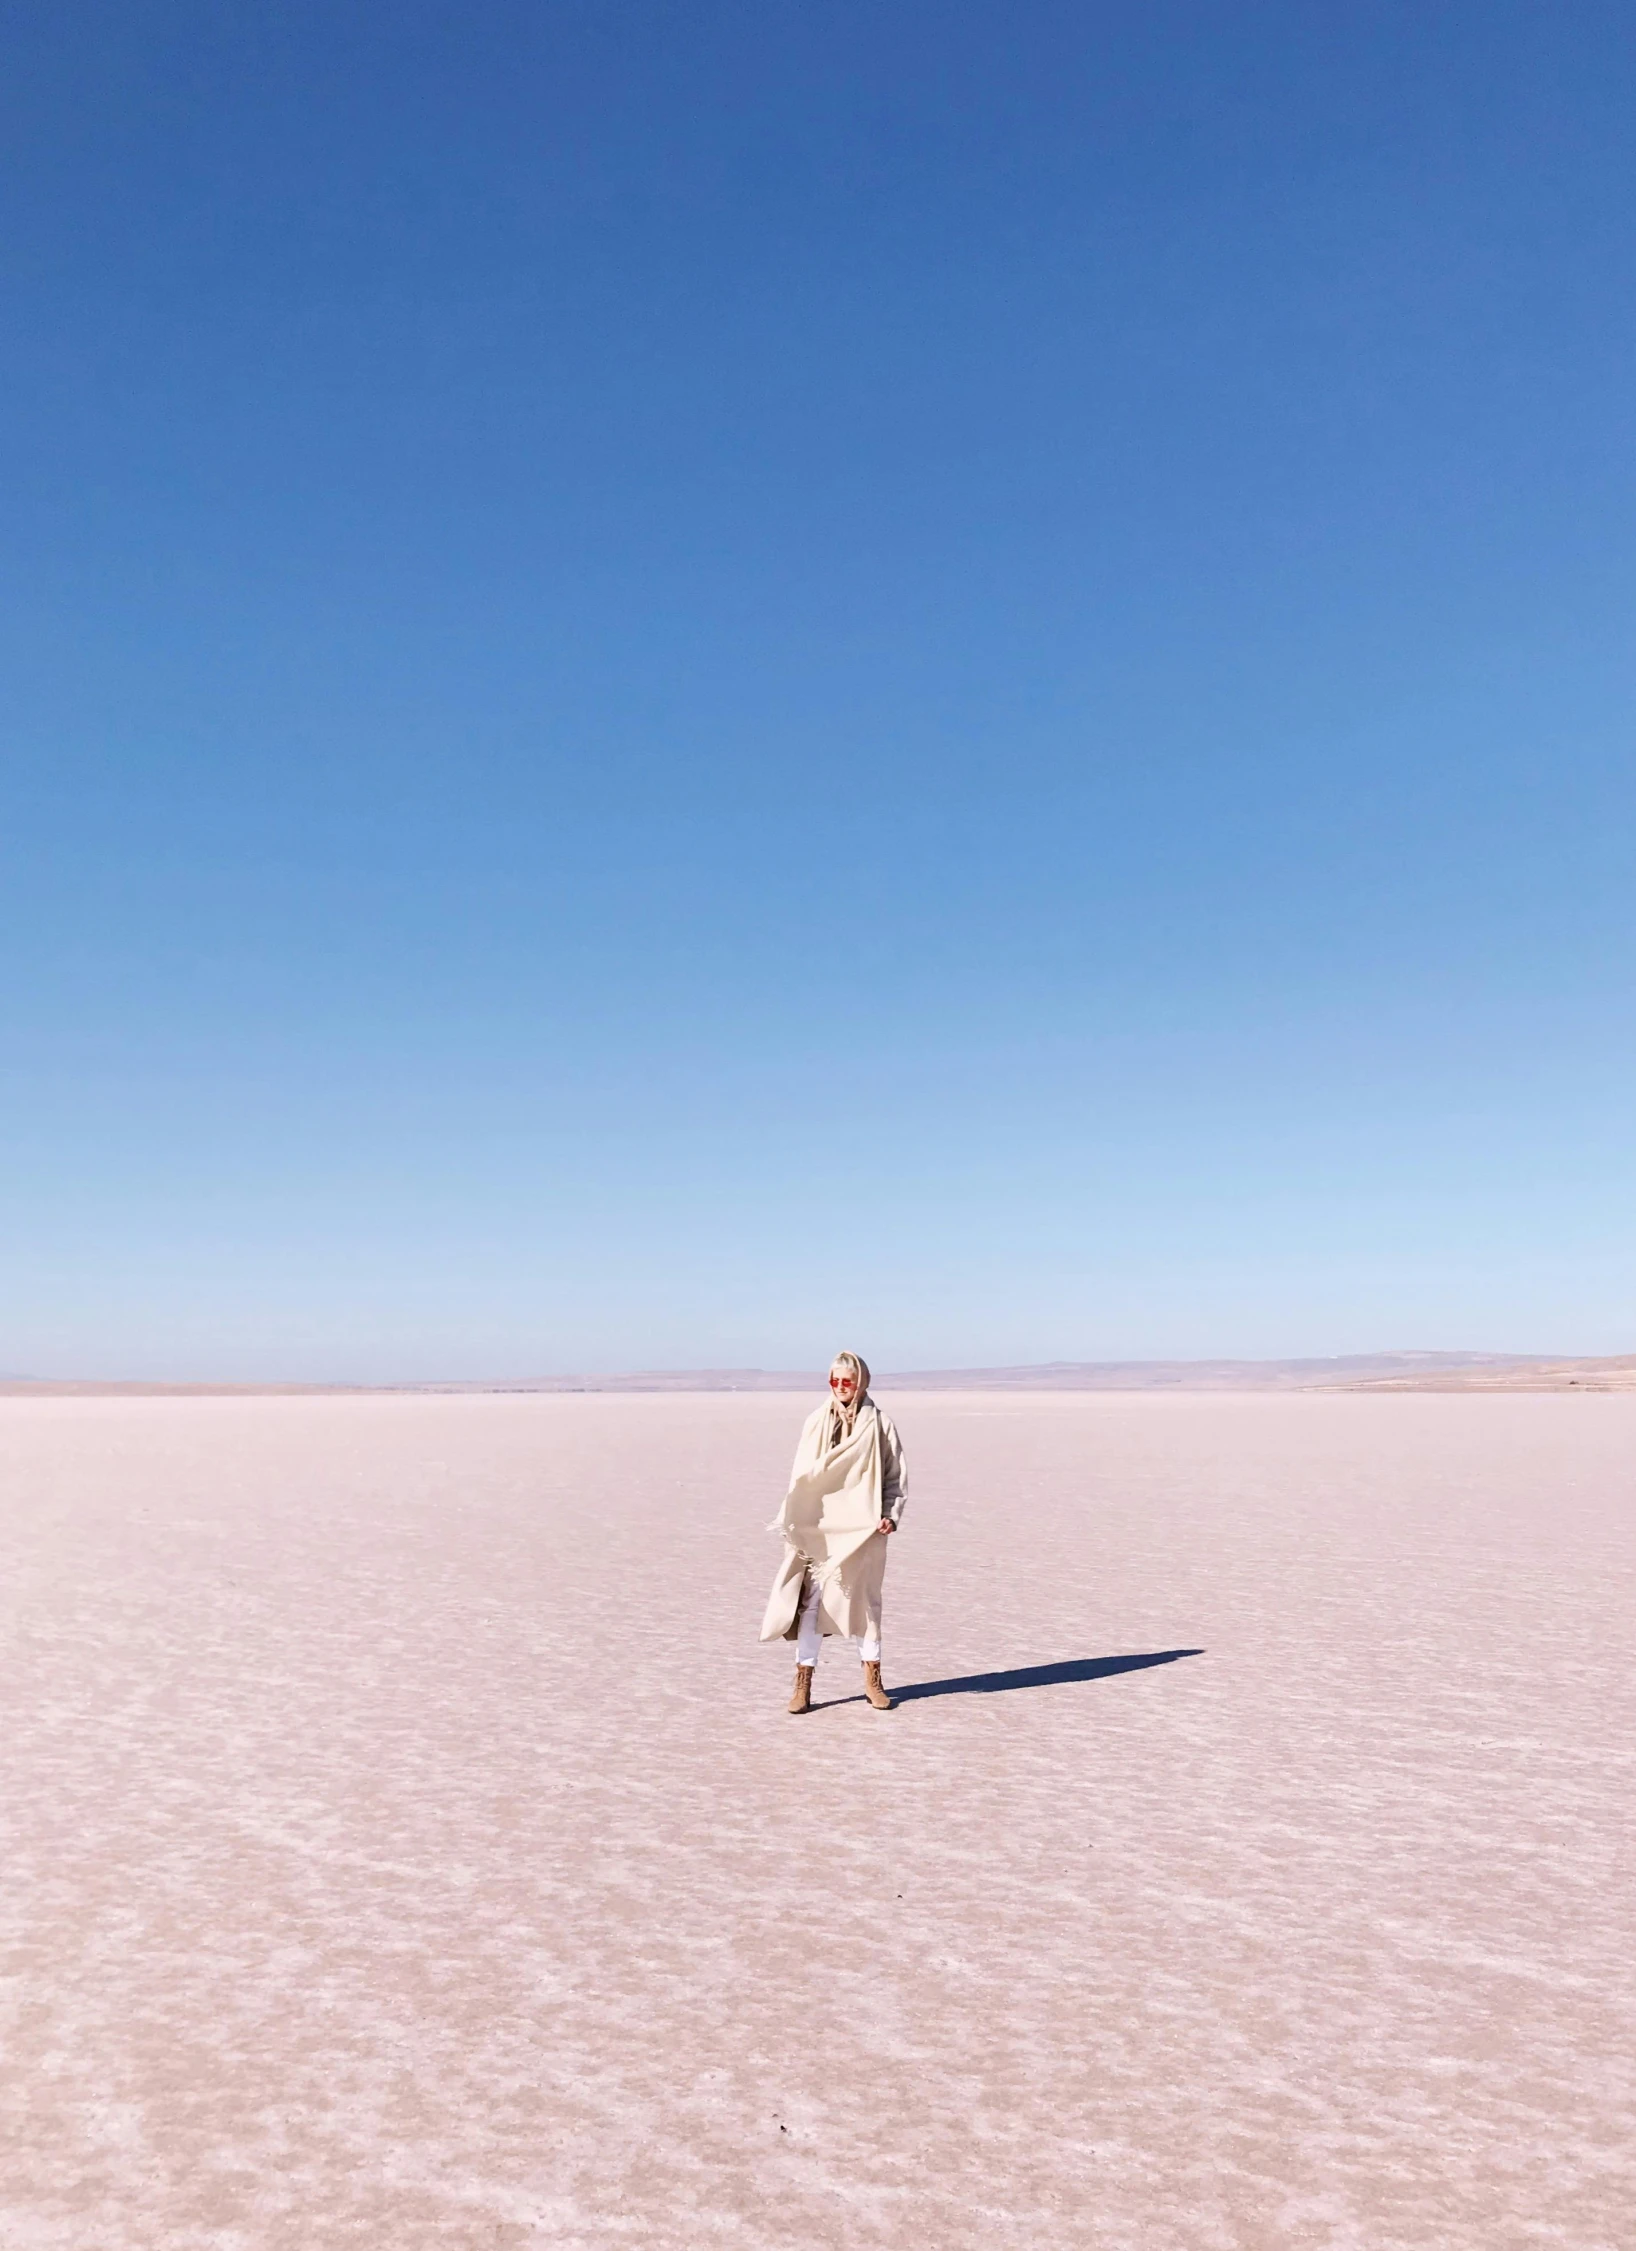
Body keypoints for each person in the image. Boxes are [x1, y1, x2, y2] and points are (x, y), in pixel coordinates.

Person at [760, 1351, 908, 1714]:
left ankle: (873, 1682)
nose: (841, 1387)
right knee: (812, 1604)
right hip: (820, 1529)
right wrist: (795, 1517)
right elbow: (801, 1476)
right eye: (835, 1381)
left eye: (848, 1381)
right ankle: (803, 1685)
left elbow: (895, 1476)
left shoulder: (879, 1424)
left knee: (865, 1604)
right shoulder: (815, 1422)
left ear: (861, 1382)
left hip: (863, 1529)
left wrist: (891, 1514)